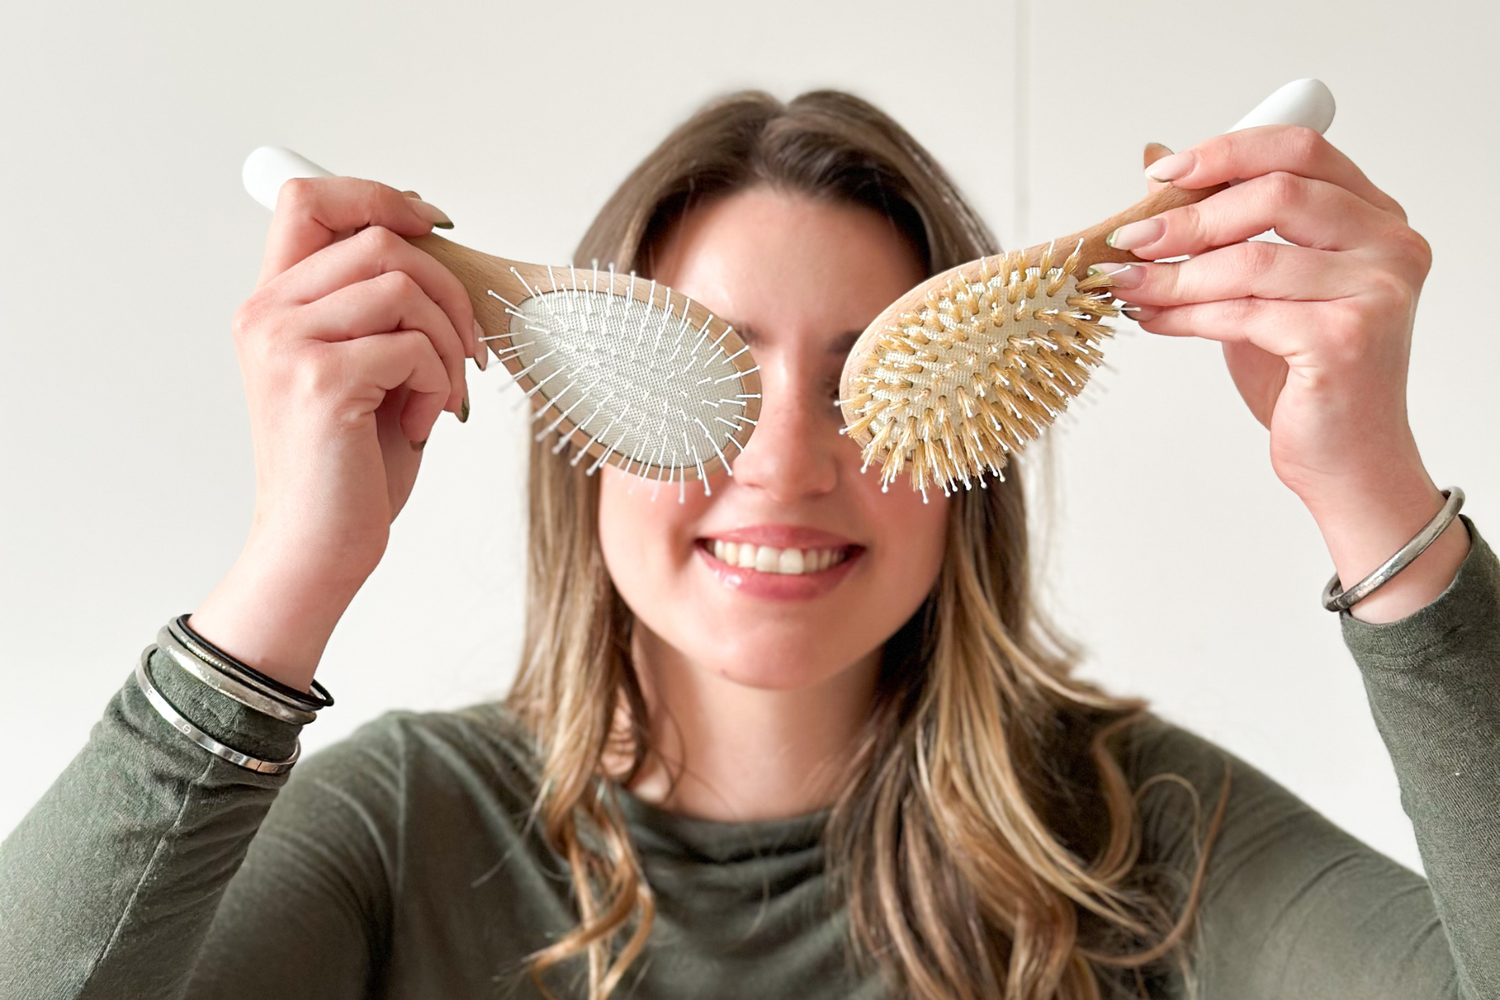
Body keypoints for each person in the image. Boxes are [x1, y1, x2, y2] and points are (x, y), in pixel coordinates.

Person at [0, 90, 1493, 1000]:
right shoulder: (409, 833)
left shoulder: (1128, 836)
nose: (784, 461)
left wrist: (1375, 493)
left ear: (976, 448)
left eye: (868, 383)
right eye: (704, 376)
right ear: (581, 425)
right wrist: (289, 574)